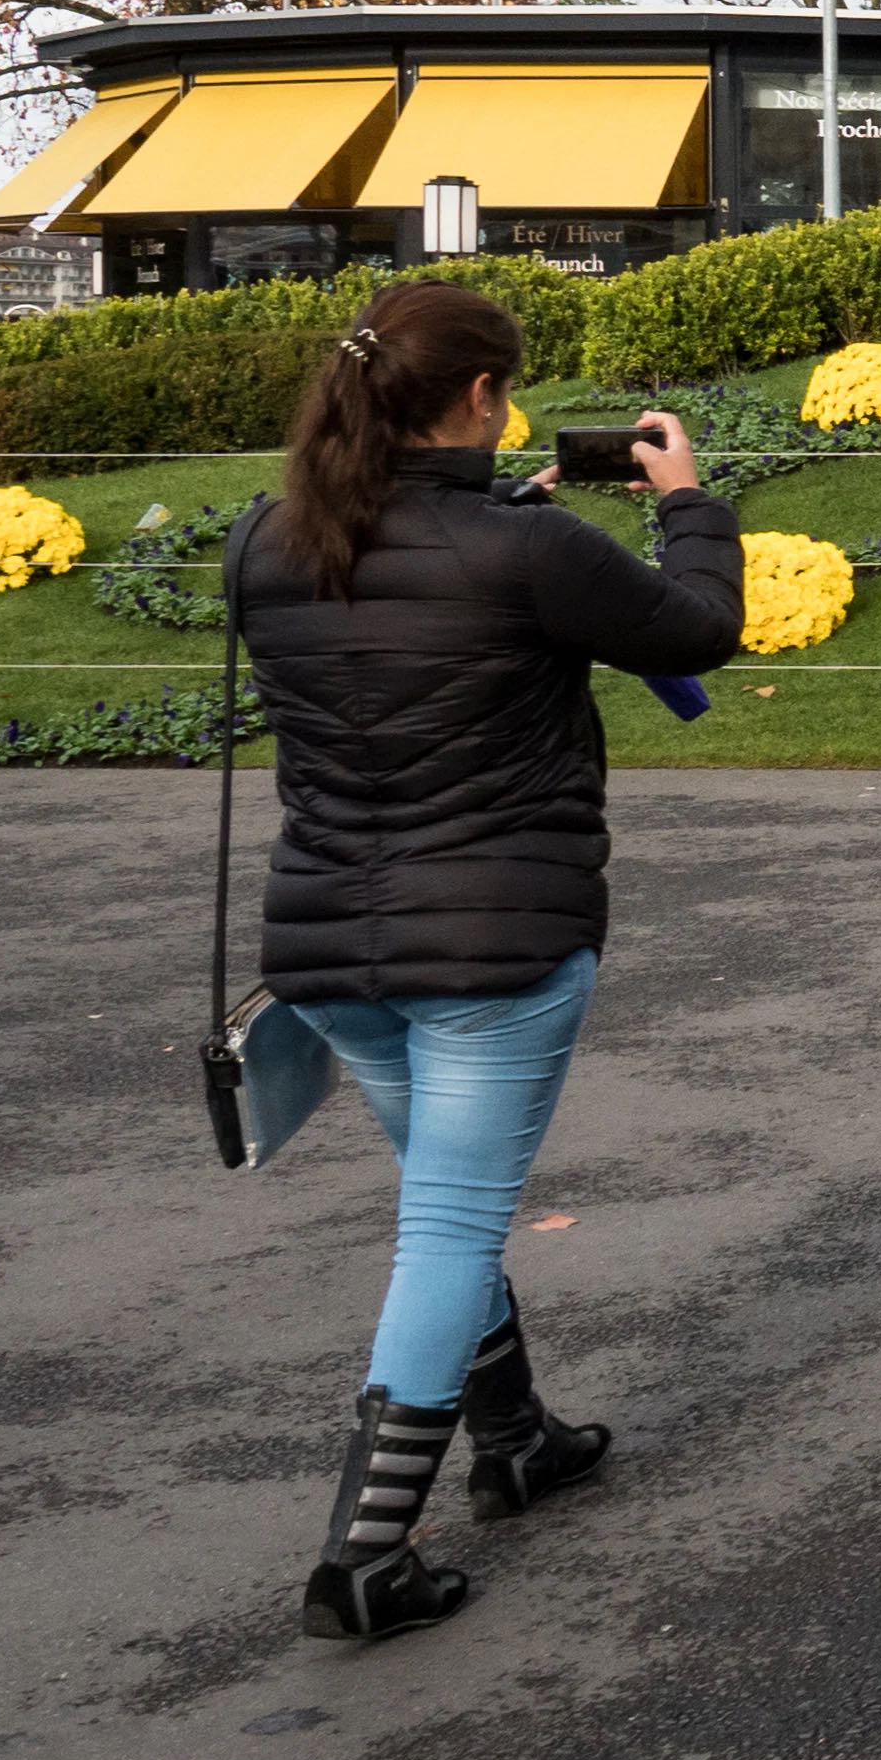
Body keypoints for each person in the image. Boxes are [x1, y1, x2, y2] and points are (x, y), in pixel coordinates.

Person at [224, 280, 738, 1640]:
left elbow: (393, 599)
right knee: (450, 1219)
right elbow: (694, 631)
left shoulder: (263, 540)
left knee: (448, 1191)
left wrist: (469, 501)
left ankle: (514, 1438)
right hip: (499, 941)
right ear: (476, 399)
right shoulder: (529, 547)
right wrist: (687, 499)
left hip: (330, 946)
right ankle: (366, 1551)